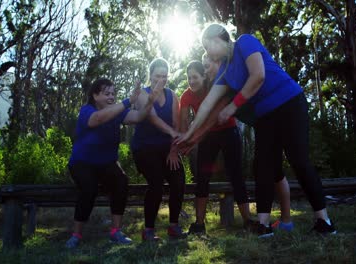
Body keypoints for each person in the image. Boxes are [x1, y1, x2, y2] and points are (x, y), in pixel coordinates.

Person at [176, 24, 336, 237]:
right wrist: (188, 135)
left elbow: (258, 75)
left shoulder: (245, 41)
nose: (208, 53)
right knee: (262, 165)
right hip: (265, 116)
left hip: (289, 103)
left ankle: (323, 221)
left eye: (207, 47)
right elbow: (207, 107)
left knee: (299, 160)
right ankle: (263, 224)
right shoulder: (224, 72)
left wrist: (233, 106)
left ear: (217, 39)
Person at [66, 78, 161, 248]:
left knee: (121, 181)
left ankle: (115, 232)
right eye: (106, 93)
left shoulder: (118, 112)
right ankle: (76, 234)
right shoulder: (87, 110)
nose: (111, 97)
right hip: (82, 163)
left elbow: (138, 117)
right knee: (89, 188)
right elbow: (98, 119)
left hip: (107, 163)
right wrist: (128, 101)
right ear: (95, 95)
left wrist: (150, 102)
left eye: (113, 94)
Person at [179, 60, 252, 234]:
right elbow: (183, 124)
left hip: (228, 130)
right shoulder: (186, 96)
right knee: (202, 177)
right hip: (207, 136)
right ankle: (199, 224)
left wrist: (194, 138)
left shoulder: (216, 88)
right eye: (189, 78)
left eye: (195, 77)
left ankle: (248, 220)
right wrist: (183, 143)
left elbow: (213, 118)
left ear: (204, 77)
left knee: (236, 175)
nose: (192, 81)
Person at [131, 58, 186, 241]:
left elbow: (177, 125)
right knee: (156, 183)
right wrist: (171, 132)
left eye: (164, 76)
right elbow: (152, 118)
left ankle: (173, 226)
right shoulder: (142, 95)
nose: (160, 80)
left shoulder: (172, 96)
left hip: (167, 147)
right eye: (157, 76)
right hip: (144, 148)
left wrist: (173, 151)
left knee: (178, 179)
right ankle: (148, 230)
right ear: (150, 75)